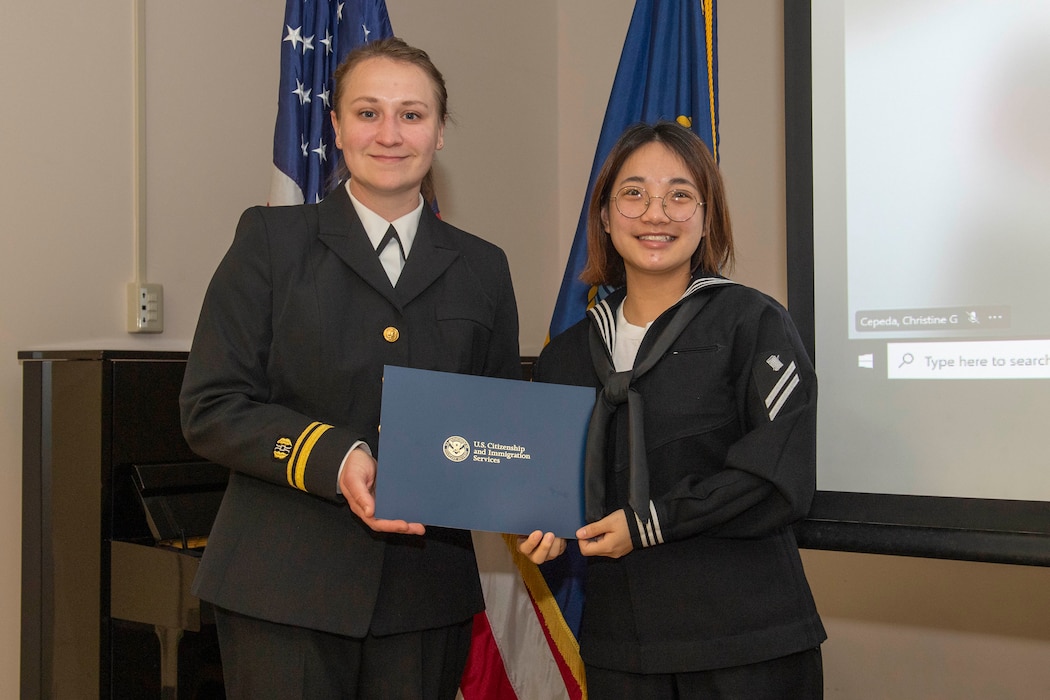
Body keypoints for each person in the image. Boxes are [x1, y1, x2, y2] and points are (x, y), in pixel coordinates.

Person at [180, 37, 520, 699]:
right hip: (283, 591)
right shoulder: (271, 243)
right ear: (334, 127)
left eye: (412, 115)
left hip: (425, 599)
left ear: (440, 131)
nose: (389, 134)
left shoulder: (484, 267)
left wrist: (533, 494)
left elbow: (497, 420)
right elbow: (210, 406)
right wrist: (337, 456)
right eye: (367, 113)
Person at [520, 121, 826, 699]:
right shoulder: (564, 355)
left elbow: (778, 475)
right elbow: (549, 485)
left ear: (707, 217)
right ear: (605, 217)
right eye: (633, 193)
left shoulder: (752, 324)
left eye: (680, 195)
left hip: (747, 641)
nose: (655, 213)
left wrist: (650, 524)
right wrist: (539, 524)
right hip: (620, 647)